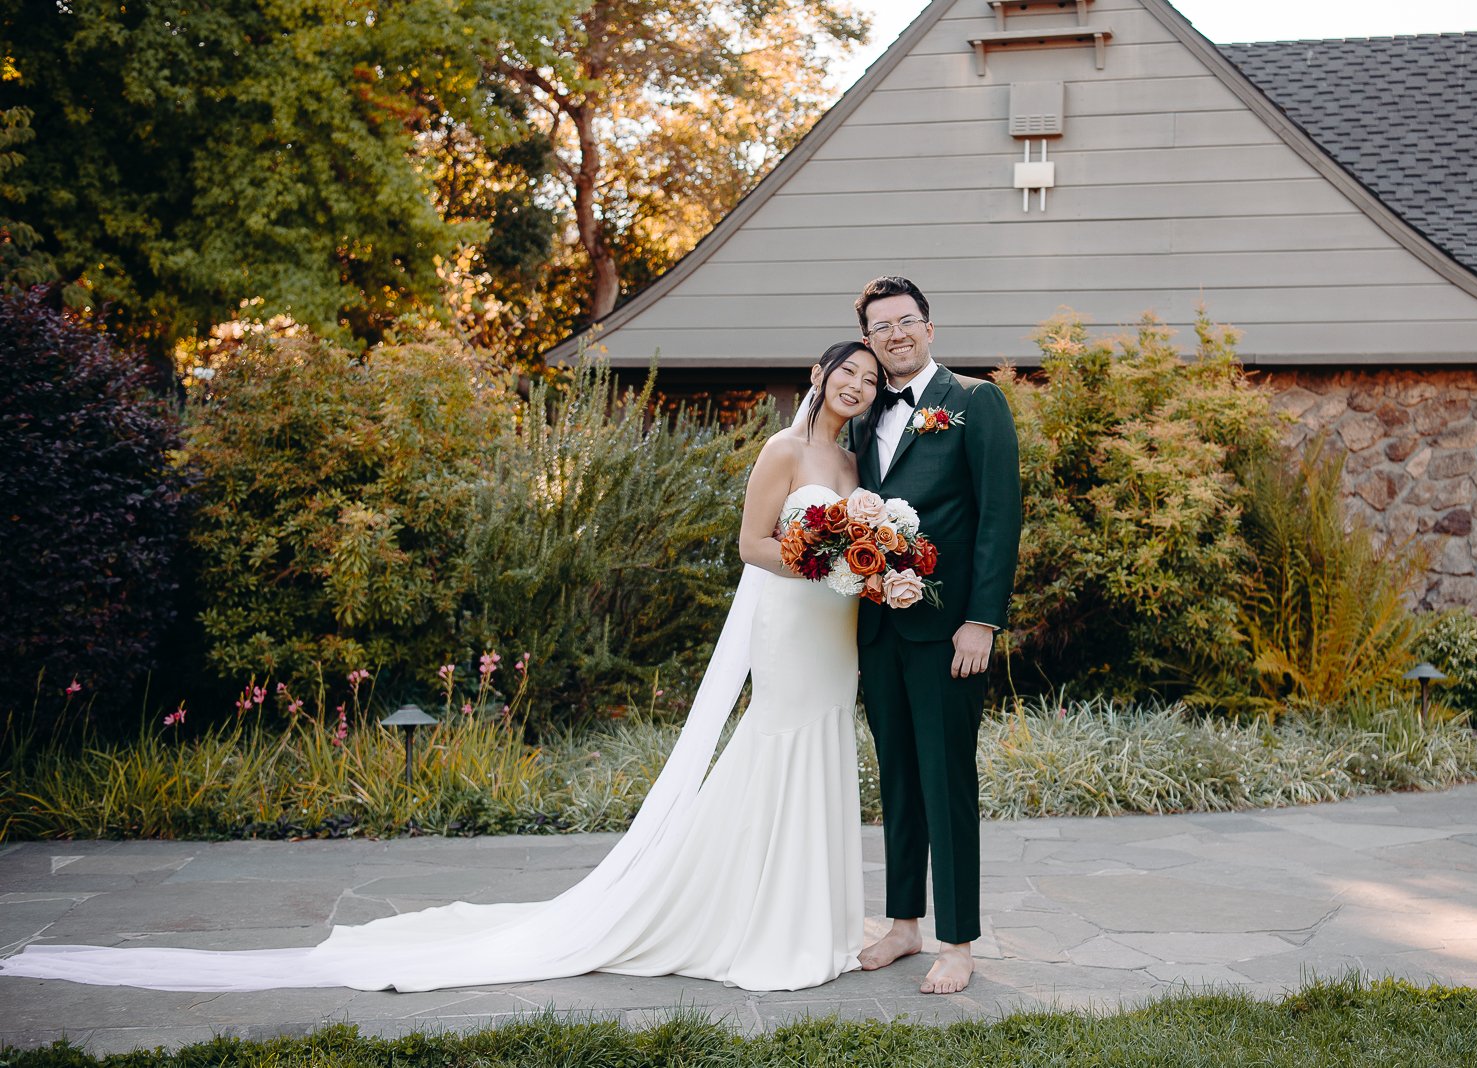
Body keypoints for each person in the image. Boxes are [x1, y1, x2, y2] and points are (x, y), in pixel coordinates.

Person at [0, 342, 883, 994]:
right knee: (773, 748)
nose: (857, 385)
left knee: (821, 749)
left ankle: (820, 915)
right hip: (787, 619)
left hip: (832, 631)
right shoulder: (783, 451)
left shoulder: (853, 462)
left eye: (869, 379)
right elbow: (748, 544)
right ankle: (757, 919)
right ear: (820, 376)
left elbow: (858, 540)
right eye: (847, 372)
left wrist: (858, 564)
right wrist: (817, 561)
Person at [847, 277, 1022, 995]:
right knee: (897, 779)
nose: (894, 334)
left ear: (929, 328)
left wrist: (980, 620)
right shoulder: (860, 418)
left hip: (950, 633)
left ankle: (958, 940)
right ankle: (903, 925)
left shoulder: (974, 402)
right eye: (880, 327)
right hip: (877, 630)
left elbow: (998, 518)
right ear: (868, 338)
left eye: (905, 321)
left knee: (946, 780)